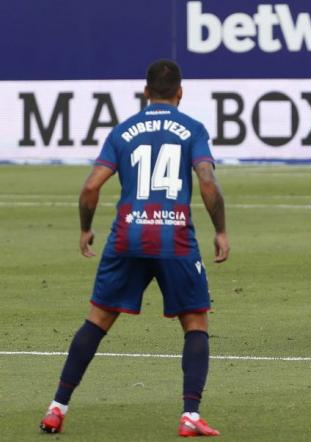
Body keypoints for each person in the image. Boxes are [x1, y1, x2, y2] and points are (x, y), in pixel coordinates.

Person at [39, 60, 228, 437]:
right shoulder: (191, 129)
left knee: (98, 319)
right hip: (174, 236)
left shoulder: (123, 131)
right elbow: (207, 181)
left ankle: (56, 408)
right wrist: (220, 229)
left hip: (127, 236)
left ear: (146, 92)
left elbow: (91, 186)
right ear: (180, 92)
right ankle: (190, 415)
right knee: (195, 323)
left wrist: (85, 229)